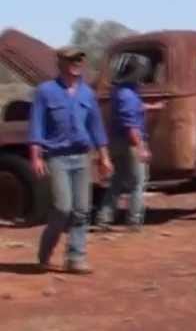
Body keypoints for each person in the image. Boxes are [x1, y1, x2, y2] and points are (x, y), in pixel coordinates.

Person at [28, 47, 113, 274]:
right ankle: (46, 250)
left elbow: (96, 127)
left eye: (80, 60)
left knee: (82, 210)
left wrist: (104, 157)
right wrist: (35, 156)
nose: (77, 63)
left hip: (81, 157)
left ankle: (76, 258)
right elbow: (36, 125)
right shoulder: (45, 91)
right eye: (72, 60)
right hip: (57, 157)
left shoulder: (87, 93)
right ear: (61, 63)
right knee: (63, 208)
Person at [95, 55, 155, 231]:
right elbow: (131, 127)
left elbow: (131, 110)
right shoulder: (129, 95)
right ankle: (134, 221)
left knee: (117, 182)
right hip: (130, 143)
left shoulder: (120, 92)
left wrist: (151, 107)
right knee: (138, 183)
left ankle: (103, 218)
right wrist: (142, 148)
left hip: (116, 142)